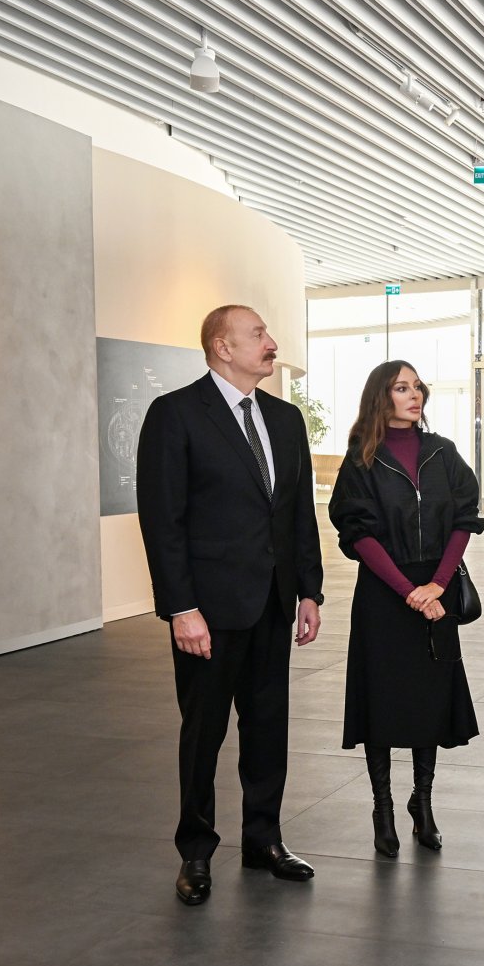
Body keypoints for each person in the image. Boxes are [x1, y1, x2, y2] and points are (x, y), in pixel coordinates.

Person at [136, 305, 325, 906]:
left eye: (268, 334)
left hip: (272, 604)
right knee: (204, 734)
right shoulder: (175, 415)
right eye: (259, 335)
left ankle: (263, 839)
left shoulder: (286, 419)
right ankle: (195, 851)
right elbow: (162, 521)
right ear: (222, 346)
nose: (272, 344)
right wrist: (181, 608)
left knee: (268, 729)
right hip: (209, 615)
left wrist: (310, 590)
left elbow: (299, 516)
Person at [327, 360, 484, 856]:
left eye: (417, 387)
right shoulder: (360, 459)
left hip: (434, 593)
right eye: (401, 387)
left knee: (427, 700)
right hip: (383, 594)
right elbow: (357, 534)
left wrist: (436, 585)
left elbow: (464, 518)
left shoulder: (444, 453)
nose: (413, 395)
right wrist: (407, 591)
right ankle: (383, 810)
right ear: (381, 396)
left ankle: (423, 802)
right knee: (382, 701)